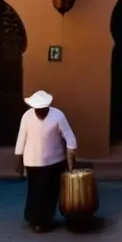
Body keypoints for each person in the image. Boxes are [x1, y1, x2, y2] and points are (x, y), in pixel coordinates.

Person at [14, 90, 77, 233]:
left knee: (50, 191)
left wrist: (71, 152)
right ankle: (34, 219)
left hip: (54, 161)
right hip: (32, 161)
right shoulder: (27, 117)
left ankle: (46, 219)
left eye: (42, 109)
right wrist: (18, 155)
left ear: (47, 107)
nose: (40, 112)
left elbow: (69, 135)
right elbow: (21, 136)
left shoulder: (58, 115)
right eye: (37, 109)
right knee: (35, 190)